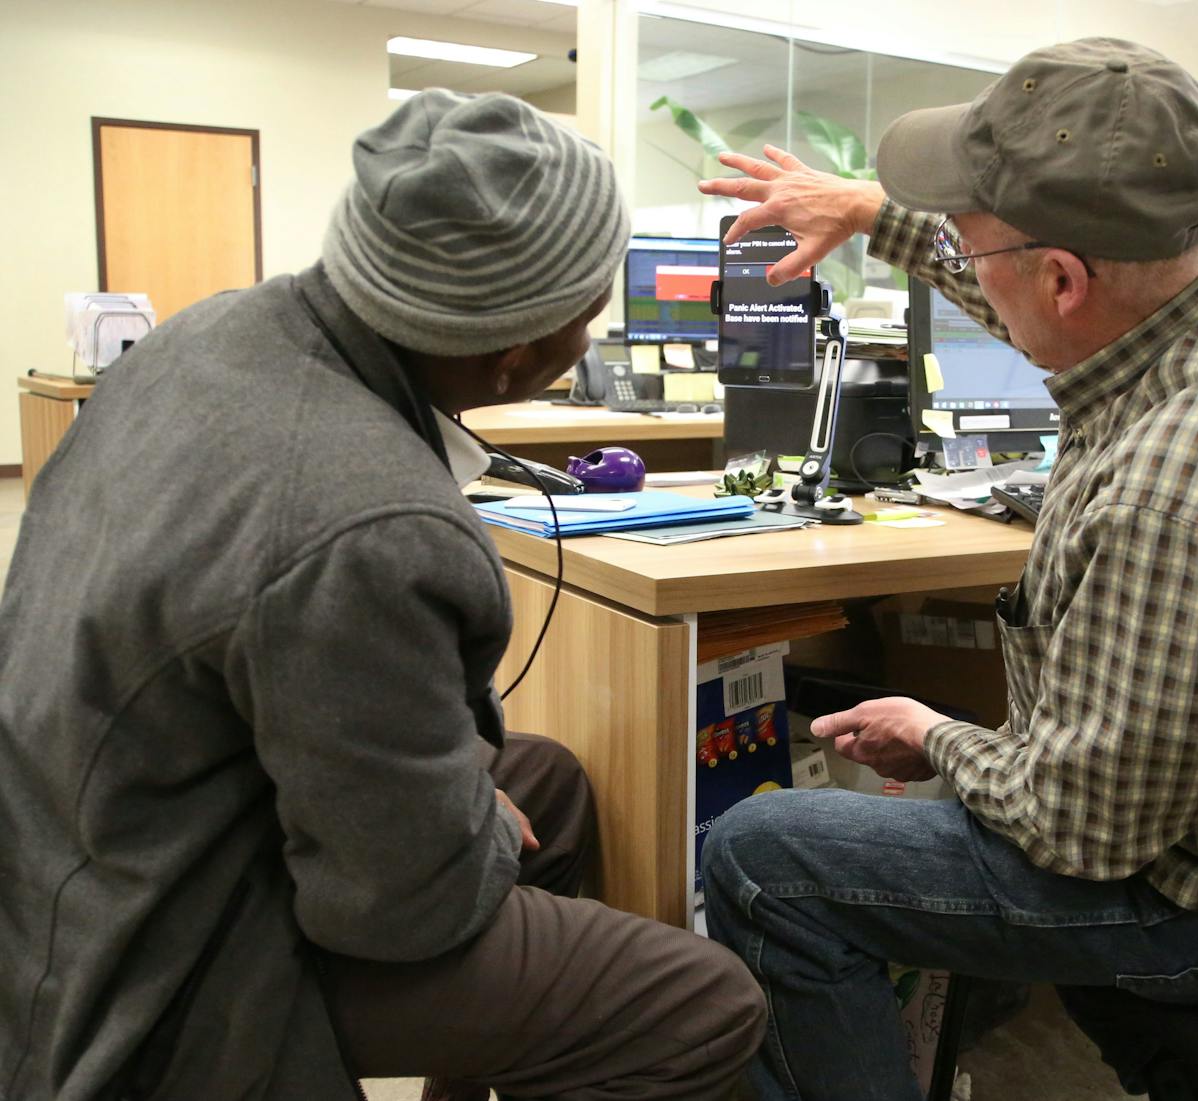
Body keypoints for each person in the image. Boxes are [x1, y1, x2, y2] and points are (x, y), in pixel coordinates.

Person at [696, 36, 1198, 1100]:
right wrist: (871, 215)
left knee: (762, 854)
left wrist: (941, 735)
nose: (962, 260)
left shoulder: (1176, 491)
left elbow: (1086, 832)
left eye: (968, 241)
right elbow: (1044, 303)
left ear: (1063, 276)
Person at [0, 91, 764, 1101]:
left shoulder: (209, 336)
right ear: (517, 349)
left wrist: (461, 807)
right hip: (154, 954)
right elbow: (395, 911)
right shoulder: (367, 521)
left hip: (76, 827)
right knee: (700, 1006)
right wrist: (461, 823)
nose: (592, 331)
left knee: (548, 786)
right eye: (586, 309)